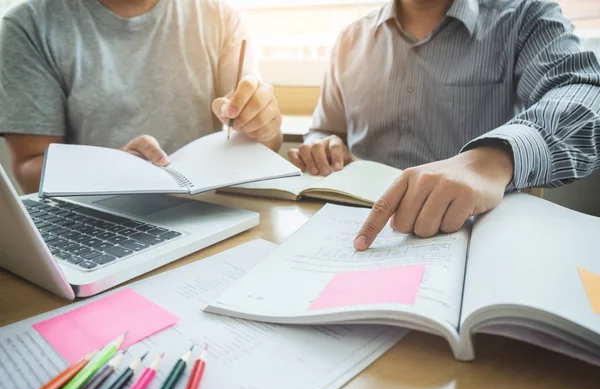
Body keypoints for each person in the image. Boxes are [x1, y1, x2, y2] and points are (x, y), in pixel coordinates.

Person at [287, 0, 600, 249]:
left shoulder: (525, 16)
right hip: (354, 235)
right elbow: (324, 128)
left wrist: (491, 159)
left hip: (471, 242)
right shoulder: (350, 39)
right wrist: (324, 145)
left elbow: (587, 94)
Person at [0, 0, 282, 194]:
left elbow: (263, 142)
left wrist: (263, 123)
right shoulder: (29, 25)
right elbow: (28, 168)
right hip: (95, 218)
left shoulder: (217, 13)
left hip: (209, 208)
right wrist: (110, 171)